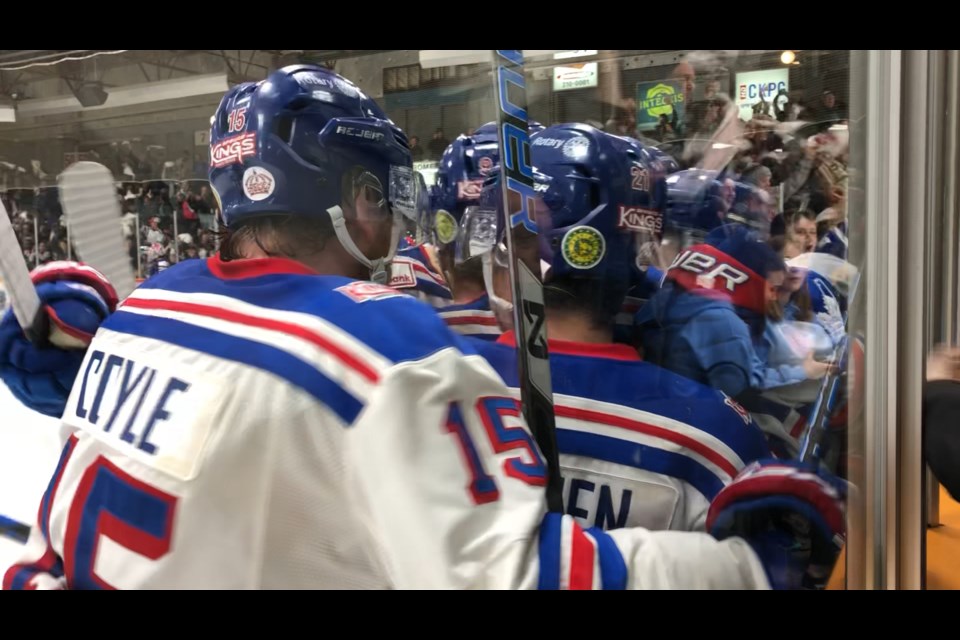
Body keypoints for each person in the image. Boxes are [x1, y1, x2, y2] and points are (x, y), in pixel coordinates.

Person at [0, 65, 787, 590]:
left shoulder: (150, 307)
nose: (388, 223)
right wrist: (747, 567)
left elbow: (231, 439)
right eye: (378, 194)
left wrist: (68, 355)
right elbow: (511, 574)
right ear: (350, 196)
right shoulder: (393, 347)